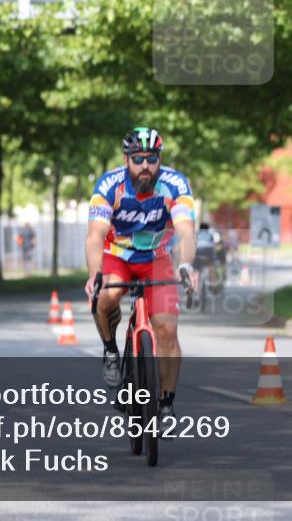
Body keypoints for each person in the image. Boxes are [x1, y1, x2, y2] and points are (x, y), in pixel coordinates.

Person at [85, 127, 199, 429]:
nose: (145, 165)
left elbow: (185, 230)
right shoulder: (110, 185)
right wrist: (94, 274)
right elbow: (95, 235)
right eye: (138, 159)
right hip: (117, 255)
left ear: (160, 159)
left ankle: (166, 405)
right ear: (127, 159)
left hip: (157, 258)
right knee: (106, 295)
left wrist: (186, 265)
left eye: (151, 158)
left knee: (166, 328)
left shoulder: (174, 184)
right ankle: (111, 351)